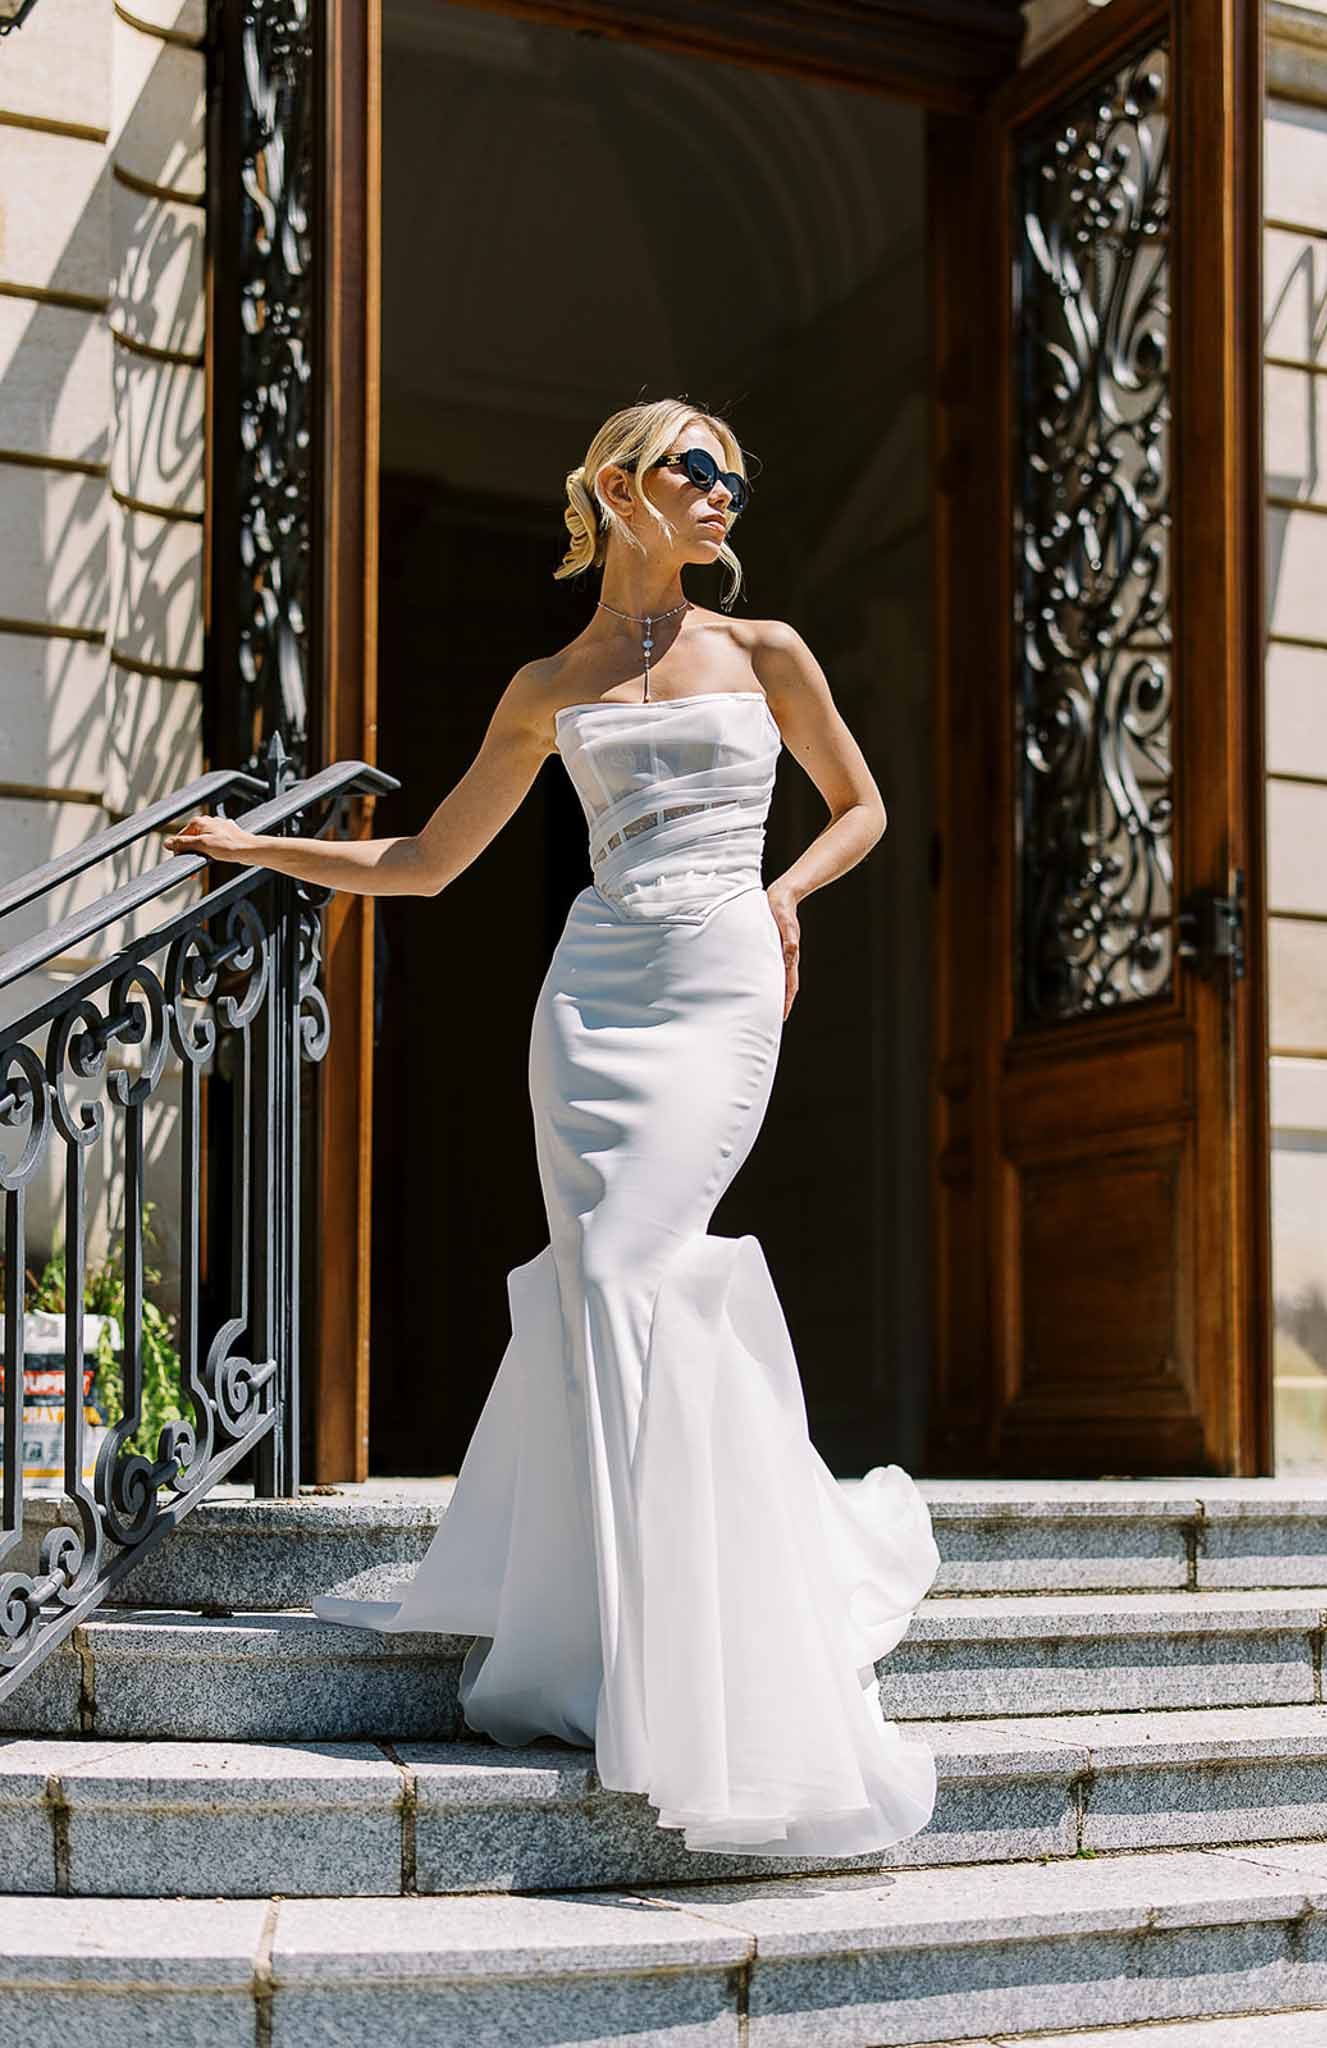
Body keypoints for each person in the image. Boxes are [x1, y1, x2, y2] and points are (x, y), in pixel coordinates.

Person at [164, 395, 940, 1858]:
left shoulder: (764, 652)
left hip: (714, 978)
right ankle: (604, 1641)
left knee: (639, 1265)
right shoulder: (547, 679)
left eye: (733, 470)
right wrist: (258, 846)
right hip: (587, 999)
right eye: (695, 468)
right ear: (617, 487)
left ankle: (705, 1652)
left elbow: (861, 807)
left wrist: (785, 893)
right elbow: (431, 857)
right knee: (592, 1286)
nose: (722, 493)